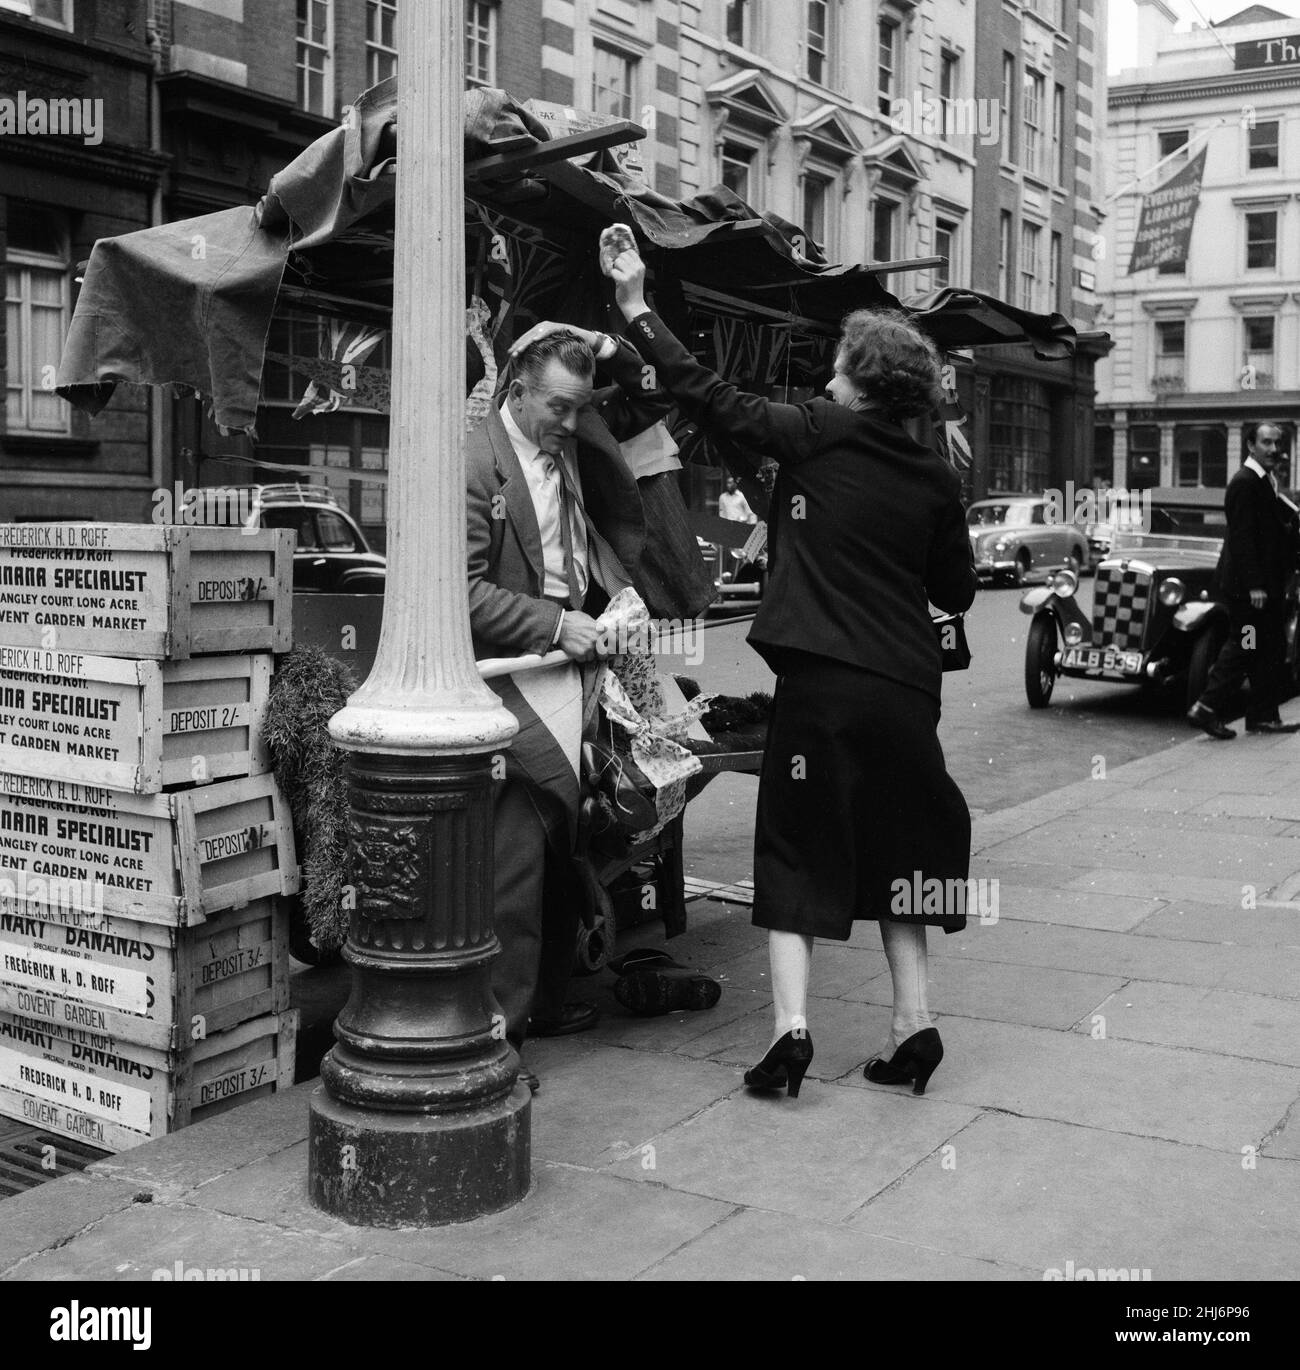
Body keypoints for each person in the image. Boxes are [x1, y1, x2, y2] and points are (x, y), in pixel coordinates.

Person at [608, 244, 977, 1101]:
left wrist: (635, 304)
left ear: (855, 377)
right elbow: (955, 586)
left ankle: (790, 1035)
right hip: (906, 693)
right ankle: (913, 1026)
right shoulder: (933, 474)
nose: (829, 374)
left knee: (796, 851)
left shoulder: (816, 428)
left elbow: (706, 393)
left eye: (838, 365)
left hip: (820, 687)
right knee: (901, 851)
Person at [467, 327, 668, 1092]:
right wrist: (557, 624)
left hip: (572, 669)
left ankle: (545, 1001)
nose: (570, 422)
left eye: (579, 408)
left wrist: (616, 330)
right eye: (558, 406)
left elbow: (645, 404)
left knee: (562, 847)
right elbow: (462, 589)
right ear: (516, 392)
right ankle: (495, 1042)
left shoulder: (567, 438)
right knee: (514, 866)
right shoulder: (472, 462)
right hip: (507, 681)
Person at [1187, 422, 1300, 739]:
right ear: (1250, 445)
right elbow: (1242, 538)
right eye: (1266, 442)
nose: (1274, 449)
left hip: (1264, 585)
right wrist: (1254, 585)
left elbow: (1269, 532)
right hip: (1249, 589)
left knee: (1268, 649)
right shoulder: (1245, 483)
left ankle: (1263, 716)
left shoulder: (1263, 481)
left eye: (1277, 443)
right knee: (1245, 644)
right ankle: (1206, 708)